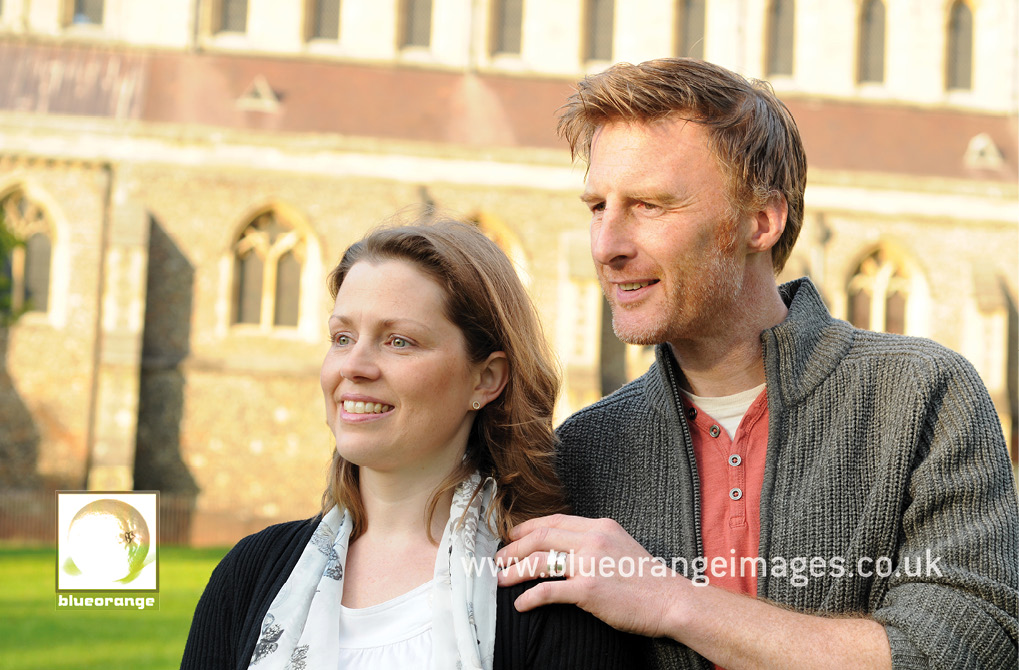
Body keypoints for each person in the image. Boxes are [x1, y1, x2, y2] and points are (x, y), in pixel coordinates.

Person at [496, 58, 1019, 669]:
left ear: (761, 221)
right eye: (597, 207)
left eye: (648, 206)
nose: (607, 245)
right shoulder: (584, 452)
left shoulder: (922, 396)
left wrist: (671, 600)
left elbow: (967, 651)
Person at [181, 217, 632, 669]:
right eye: (342, 337)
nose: (353, 366)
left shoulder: (548, 590)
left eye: (399, 341)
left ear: (486, 378)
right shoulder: (249, 574)